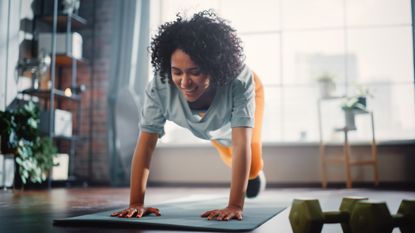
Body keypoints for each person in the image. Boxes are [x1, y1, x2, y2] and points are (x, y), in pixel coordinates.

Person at [111, 10, 265, 221]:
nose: (184, 82)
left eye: (195, 72)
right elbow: (146, 145)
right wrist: (136, 202)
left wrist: (235, 205)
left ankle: (254, 176)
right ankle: (231, 154)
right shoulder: (160, 88)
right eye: (177, 72)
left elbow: (241, 144)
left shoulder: (240, 81)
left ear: (214, 67)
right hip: (209, 122)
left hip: (247, 95)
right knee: (211, 133)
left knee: (251, 162)